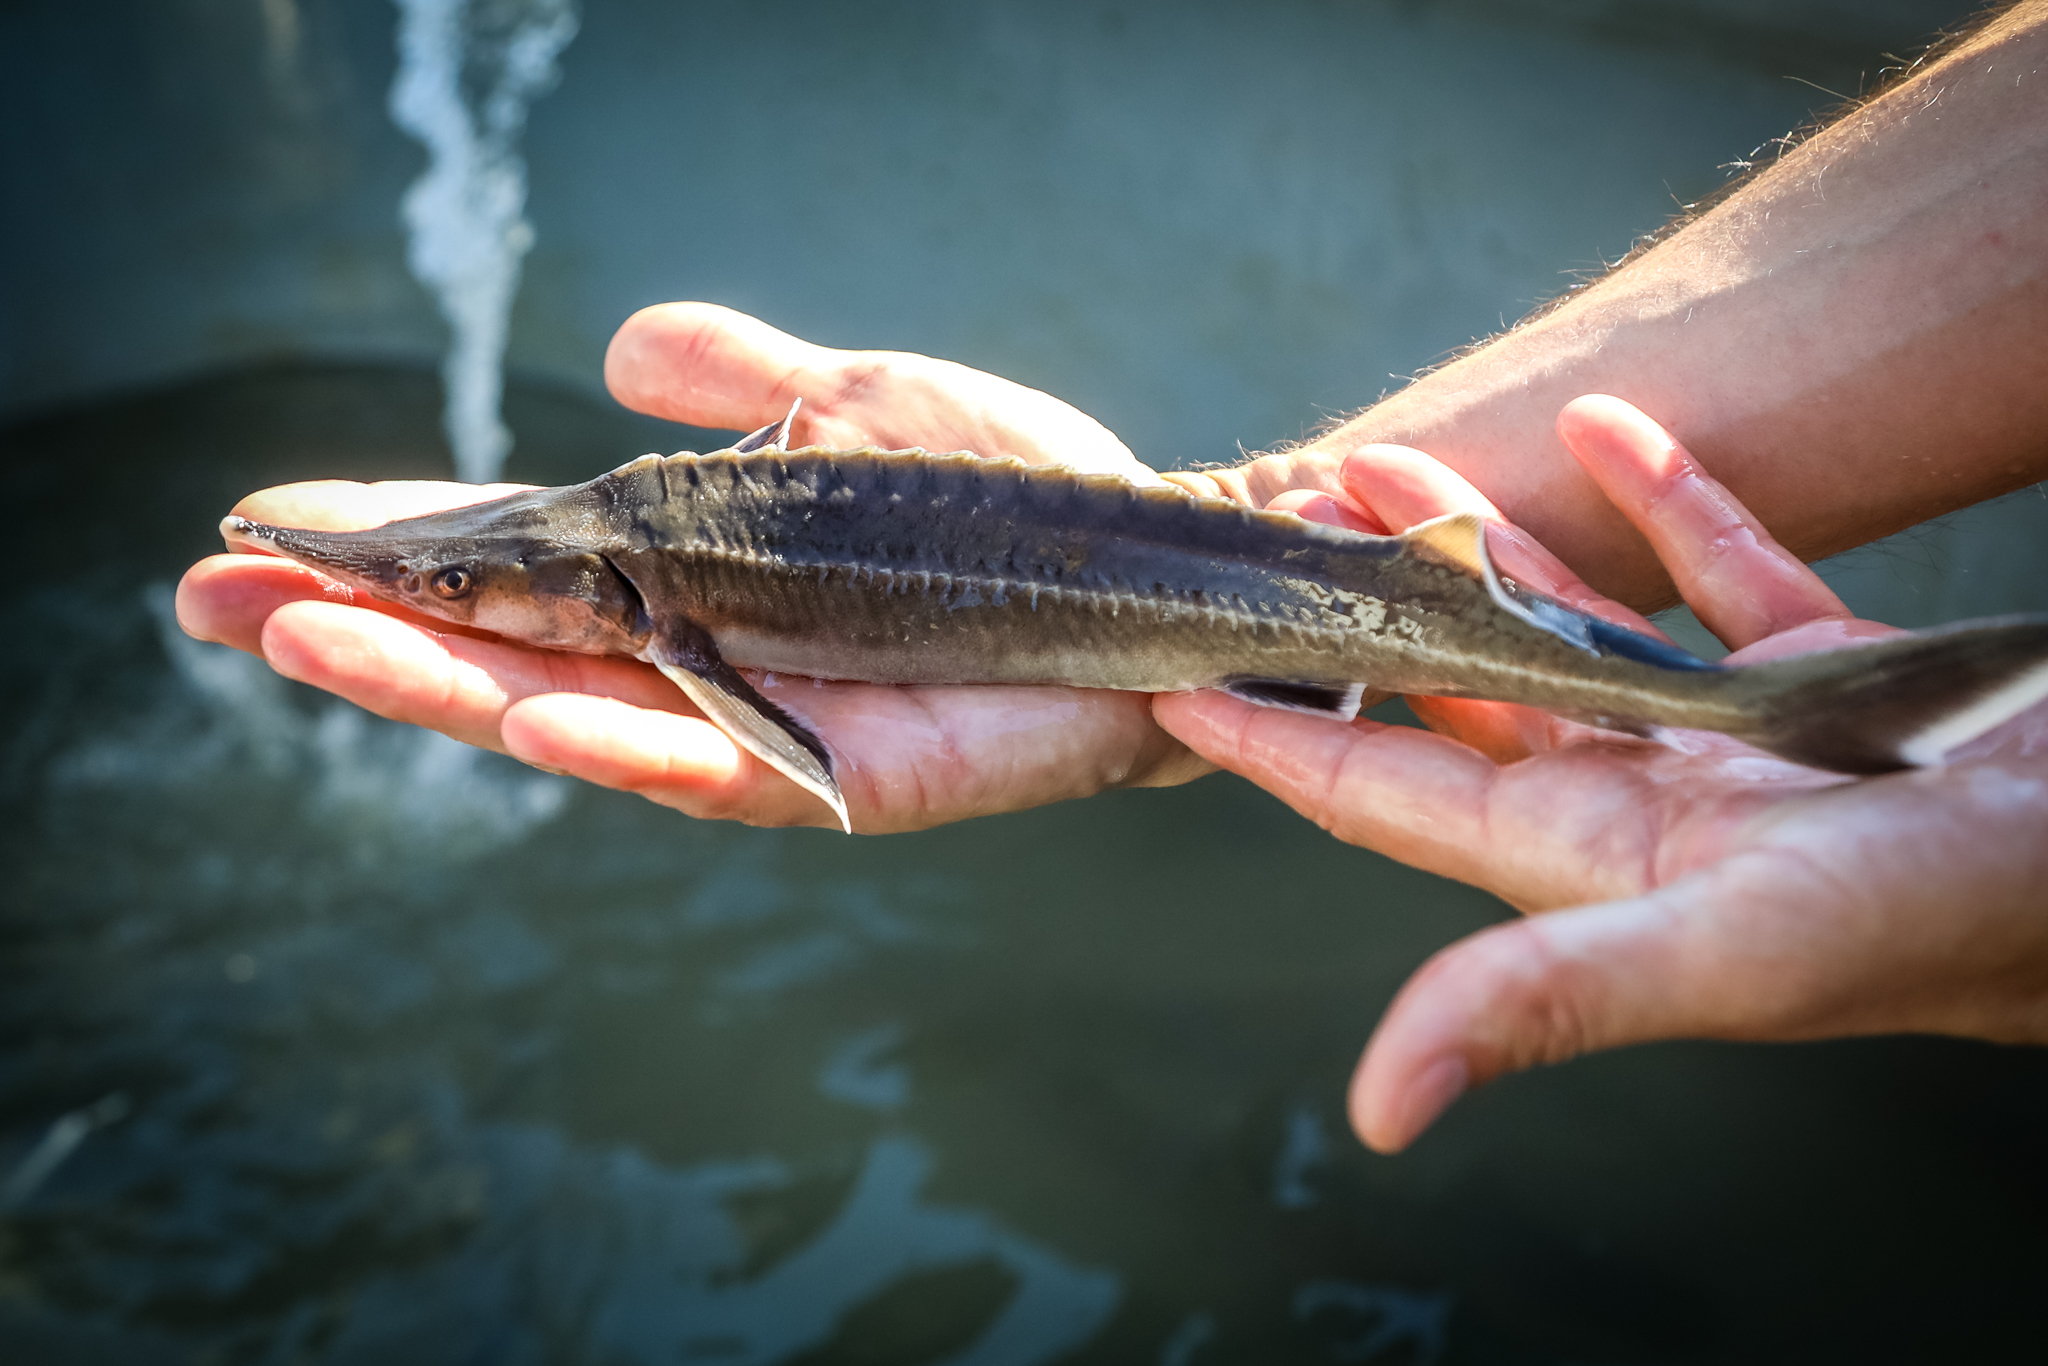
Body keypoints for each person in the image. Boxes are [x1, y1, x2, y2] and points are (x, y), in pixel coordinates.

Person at [178, 3, 2048, 1151]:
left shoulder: (662, 599)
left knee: (1574, 668)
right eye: (447, 590)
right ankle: (1831, 715)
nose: (436, 589)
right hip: (1263, 587)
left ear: (610, 603)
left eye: (456, 587)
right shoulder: (631, 552)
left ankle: (1798, 716)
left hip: (1321, 592)